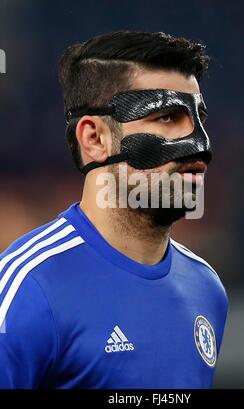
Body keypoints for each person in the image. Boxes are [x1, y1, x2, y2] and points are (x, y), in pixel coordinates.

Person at [0, 31, 228, 388]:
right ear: (95, 139)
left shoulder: (207, 288)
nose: (200, 146)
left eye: (199, 119)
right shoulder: (29, 288)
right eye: (168, 118)